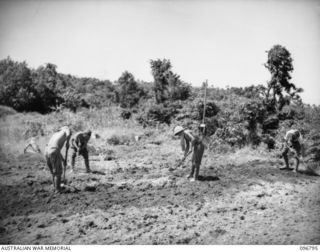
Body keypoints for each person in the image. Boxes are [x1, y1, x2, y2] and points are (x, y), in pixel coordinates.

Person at [44, 126, 72, 192]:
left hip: (47, 150)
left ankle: (55, 186)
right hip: (53, 151)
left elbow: (56, 150)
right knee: (58, 172)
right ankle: (58, 189)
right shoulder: (66, 129)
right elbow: (68, 133)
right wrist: (68, 142)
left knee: (54, 172)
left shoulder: (56, 134)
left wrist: (63, 160)